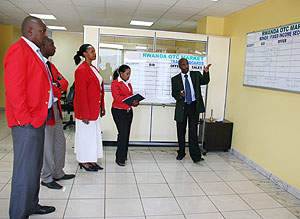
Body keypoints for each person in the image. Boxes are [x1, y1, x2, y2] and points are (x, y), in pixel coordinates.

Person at [4, 16, 55, 218]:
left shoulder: (33, 52)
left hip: (38, 119)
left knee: (34, 168)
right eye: (42, 31)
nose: (44, 35)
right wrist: (26, 120)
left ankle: (31, 205)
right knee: (24, 171)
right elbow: (15, 90)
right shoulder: (18, 50)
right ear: (29, 30)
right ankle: (18, 213)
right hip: (27, 123)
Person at [40, 37, 75, 190]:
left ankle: (58, 172)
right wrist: (55, 85)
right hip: (45, 110)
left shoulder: (51, 66)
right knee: (47, 146)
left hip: (56, 108)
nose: (55, 48)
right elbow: (43, 87)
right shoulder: (38, 64)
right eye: (52, 45)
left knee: (60, 143)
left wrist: (55, 84)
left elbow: (65, 82)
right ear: (43, 46)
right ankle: (46, 177)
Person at [171, 58, 211, 163]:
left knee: (193, 132)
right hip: (182, 107)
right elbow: (174, 94)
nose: (186, 66)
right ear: (179, 66)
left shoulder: (196, 75)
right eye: (183, 65)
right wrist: (180, 95)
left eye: (187, 64)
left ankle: (196, 156)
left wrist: (206, 72)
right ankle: (181, 152)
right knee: (181, 131)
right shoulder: (175, 79)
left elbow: (205, 81)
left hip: (194, 106)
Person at [73, 44, 105, 171]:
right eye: (91, 51)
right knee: (85, 137)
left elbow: (99, 89)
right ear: (84, 54)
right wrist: (84, 114)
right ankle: (83, 161)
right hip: (86, 112)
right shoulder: (81, 70)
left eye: (94, 51)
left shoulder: (93, 69)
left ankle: (92, 159)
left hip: (95, 109)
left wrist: (102, 106)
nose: (94, 53)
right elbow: (80, 94)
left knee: (94, 136)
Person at [111, 65, 139, 166]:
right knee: (122, 133)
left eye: (129, 74)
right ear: (121, 73)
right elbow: (117, 98)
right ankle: (119, 158)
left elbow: (129, 98)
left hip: (128, 111)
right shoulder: (115, 83)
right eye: (127, 74)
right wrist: (130, 98)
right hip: (118, 111)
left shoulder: (128, 84)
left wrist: (134, 102)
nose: (128, 76)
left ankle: (124, 154)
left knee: (126, 133)